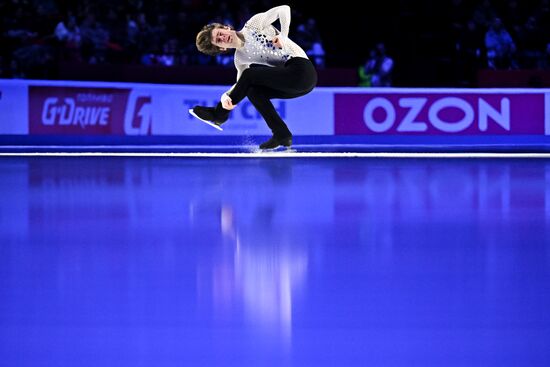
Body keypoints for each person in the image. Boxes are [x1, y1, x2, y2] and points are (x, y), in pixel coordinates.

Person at [190, 5, 318, 150]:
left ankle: (219, 115)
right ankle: (281, 134)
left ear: (226, 27)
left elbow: (285, 9)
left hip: (303, 71)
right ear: (222, 48)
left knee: (250, 75)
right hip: (296, 86)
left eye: (220, 33)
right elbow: (241, 84)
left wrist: (283, 35)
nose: (222, 37)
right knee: (253, 91)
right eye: (218, 41)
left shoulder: (253, 25)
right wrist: (226, 96)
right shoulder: (240, 58)